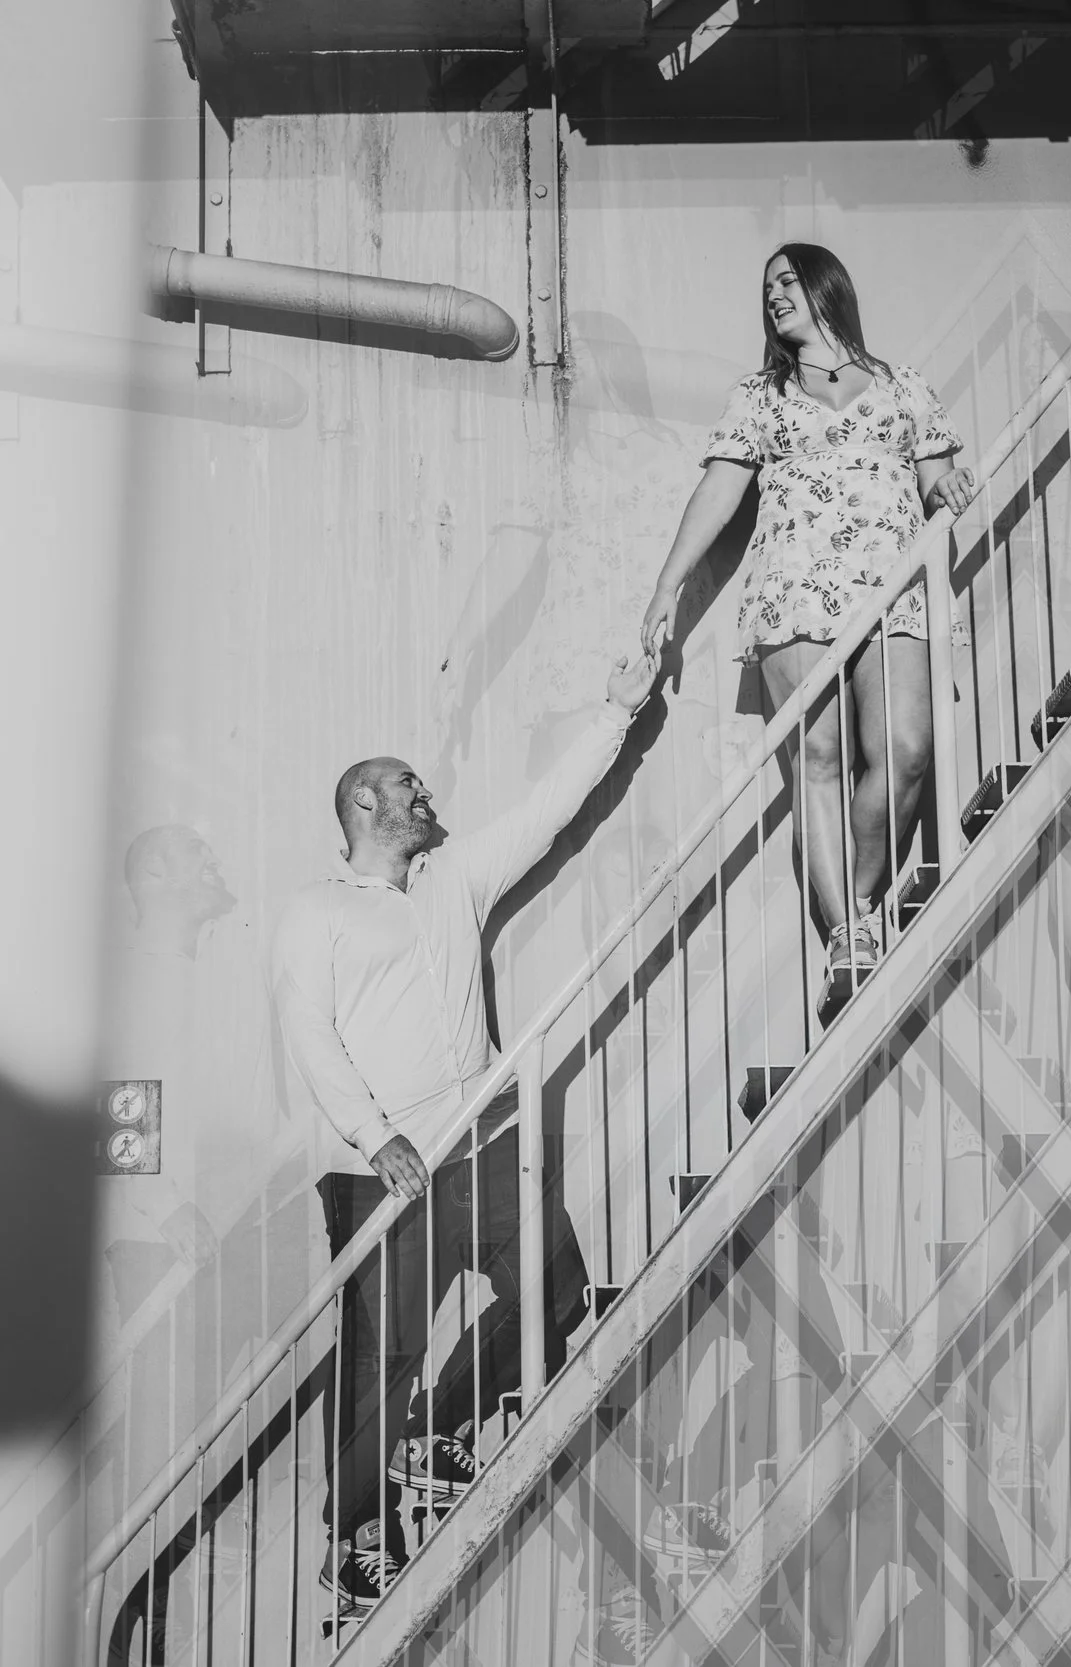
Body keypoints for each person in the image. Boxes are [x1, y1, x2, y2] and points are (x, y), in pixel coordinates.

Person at [271, 649, 659, 1620]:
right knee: (378, 1362)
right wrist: (372, 1134)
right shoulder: (314, 913)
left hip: (480, 1148)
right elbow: (308, 1033)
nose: (425, 790)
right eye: (407, 782)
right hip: (383, 1175)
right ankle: (356, 1540)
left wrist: (617, 711)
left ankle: (444, 1426)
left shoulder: (452, 880)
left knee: (557, 1285)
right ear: (364, 803)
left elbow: (546, 813)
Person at [639, 243, 979, 1009]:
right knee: (818, 761)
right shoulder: (760, 396)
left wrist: (951, 482)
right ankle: (851, 935)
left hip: (895, 590)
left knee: (907, 753)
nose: (775, 298)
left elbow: (936, 480)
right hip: (794, 592)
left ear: (827, 287)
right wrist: (668, 586)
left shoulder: (902, 387)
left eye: (788, 282)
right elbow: (718, 496)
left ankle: (851, 902)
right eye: (767, 291)